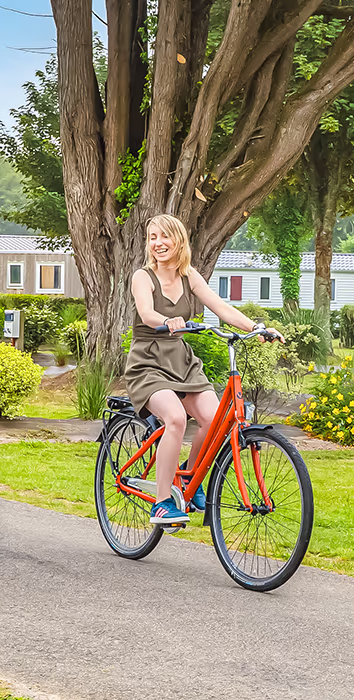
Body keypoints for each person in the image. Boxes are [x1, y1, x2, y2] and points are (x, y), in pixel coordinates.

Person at [124, 213, 284, 525]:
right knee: (175, 417)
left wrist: (257, 328)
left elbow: (220, 307)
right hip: (148, 362)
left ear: (178, 240)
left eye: (164, 237)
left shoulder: (189, 276)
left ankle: (189, 477)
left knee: (216, 420)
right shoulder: (143, 277)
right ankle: (161, 502)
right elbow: (145, 313)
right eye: (152, 238)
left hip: (181, 361)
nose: (157, 244)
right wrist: (166, 322)